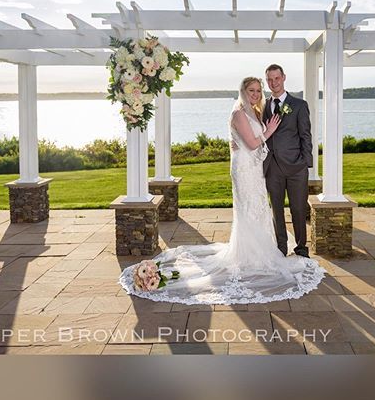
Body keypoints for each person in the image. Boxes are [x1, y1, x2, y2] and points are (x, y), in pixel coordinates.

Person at [118, 76, 325, 305]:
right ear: (243, 91)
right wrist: (270, 130)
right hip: (245, 168)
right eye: (251, 90)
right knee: (249, 208)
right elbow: (255, 143)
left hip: (254, 168)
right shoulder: (238, 113)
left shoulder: (255, 111)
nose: (256, 94)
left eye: (258, 90)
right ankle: (250, 256)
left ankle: (260, 252)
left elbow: (251, 141)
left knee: (257, 208)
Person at [262, 64, 313, 258]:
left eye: (277, 78)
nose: (274, 83)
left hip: (296, 168)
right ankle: (281, 248)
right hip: (273, 168)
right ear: (267, 81)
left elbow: (306, 136)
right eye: (270, 79)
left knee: (298, 209)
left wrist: (304, 162)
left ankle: (301, 248)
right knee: (277, 211)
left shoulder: (299, 105)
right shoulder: (264, 105)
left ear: (284, 77)